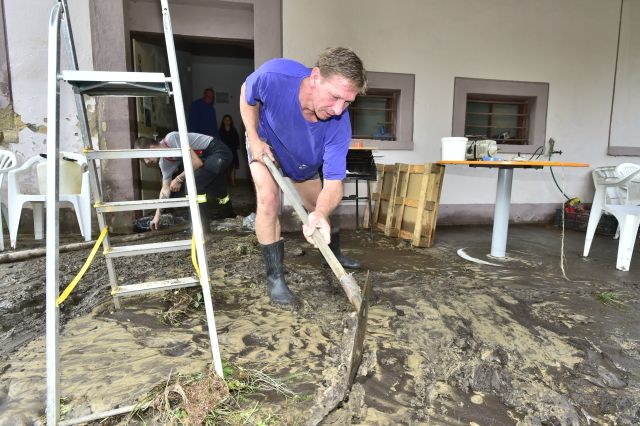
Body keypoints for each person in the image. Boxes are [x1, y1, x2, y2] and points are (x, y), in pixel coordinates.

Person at [240, 47, 367, 305]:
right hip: (266, 146)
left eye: (348, 102)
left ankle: (334, 254)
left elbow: (333, 185)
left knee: (319, 207)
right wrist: (253, 138)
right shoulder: (274, 76)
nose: (340, 109)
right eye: (335, 97)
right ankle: (275, 278)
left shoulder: (339, 126)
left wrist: (320, 212)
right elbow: (246, 93)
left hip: (303, 163)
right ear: (316, 76)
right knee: (267, 200)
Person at [134, 131, 234, 230]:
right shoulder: (164, 162)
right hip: (207, 160)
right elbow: (165, 190)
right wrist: (156, 217)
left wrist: (178, 179)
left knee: (194, 184)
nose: (146, 162)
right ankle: (229, 215)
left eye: (145, 157)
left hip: (218, 152)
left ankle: (201, 227)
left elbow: (196, 162)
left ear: (151, 148)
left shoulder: (172, 139)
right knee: (216, 187)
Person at [218, 114, 241, 186]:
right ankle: (224, 183)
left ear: (231, 121)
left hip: (233, 151)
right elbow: (219, 141)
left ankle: (233, 182)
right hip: (224, 151)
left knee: (233, 167)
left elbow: (237, 140)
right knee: (225, 168)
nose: (227, 121)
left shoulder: (233, 130)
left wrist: (237, 145)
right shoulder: (220, 131)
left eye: (228, 120)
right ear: (223, 121)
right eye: (225, 120)